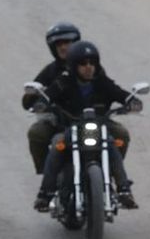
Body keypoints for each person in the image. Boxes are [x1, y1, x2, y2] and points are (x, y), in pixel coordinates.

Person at [34, 39, 137, 213]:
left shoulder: (101, 81)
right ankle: (45, 193)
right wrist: (41, 103)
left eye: (92, 63)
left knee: (112, 144)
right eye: (83, 63)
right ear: (74, 66)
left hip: (96, 128)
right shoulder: (64, 81)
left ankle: (123, 189)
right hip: (70, 129)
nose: (88, 67)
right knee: (57, 145)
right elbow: (47, 95)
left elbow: (118, 92)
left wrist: (132, 101)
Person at [22, 20, 83, 176]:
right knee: (37, 132)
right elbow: (28, 101)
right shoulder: (50, 71)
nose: (63, 47)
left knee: (119, 134)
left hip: (88, 123)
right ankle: (47, 177)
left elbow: (108, 88)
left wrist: (125, 101)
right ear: (53, 48)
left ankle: (115, 182)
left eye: (67, 42)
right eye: (59, 44)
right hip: (60, 125)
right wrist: (32, 96)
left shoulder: (90, 65)